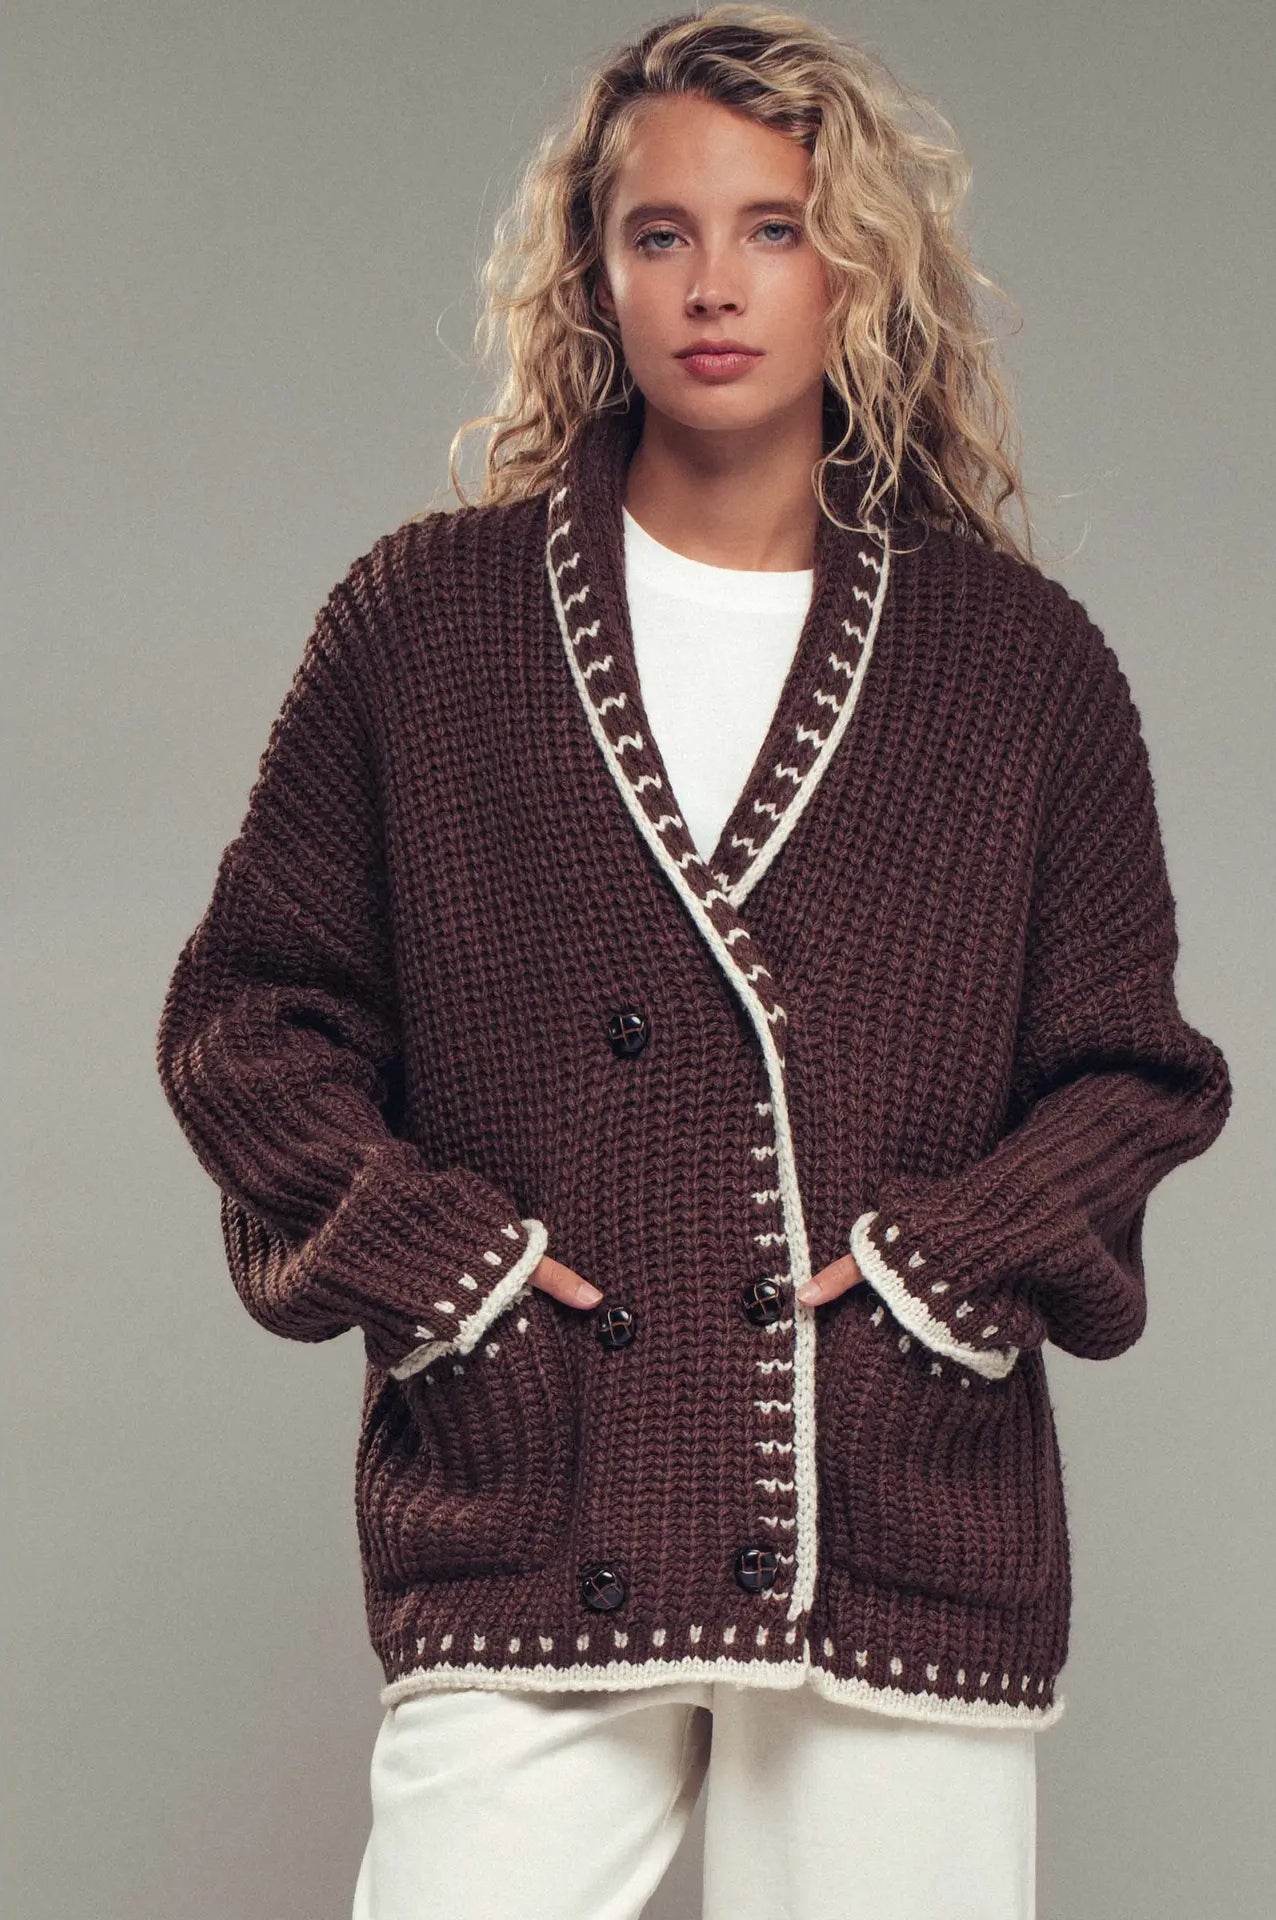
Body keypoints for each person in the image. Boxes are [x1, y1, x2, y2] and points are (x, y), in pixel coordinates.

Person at [154, 8, 1233, 1917]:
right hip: (535, 1482)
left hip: (893, 1499)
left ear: (860, 275)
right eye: (663, 233)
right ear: (598, 270)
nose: (714, 285)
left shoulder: (1021, 664)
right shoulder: (427, 625)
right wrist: (450, 1268)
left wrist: (936, 1274)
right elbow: (250, 1024)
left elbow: (1130, 1073)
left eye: (774, 230)